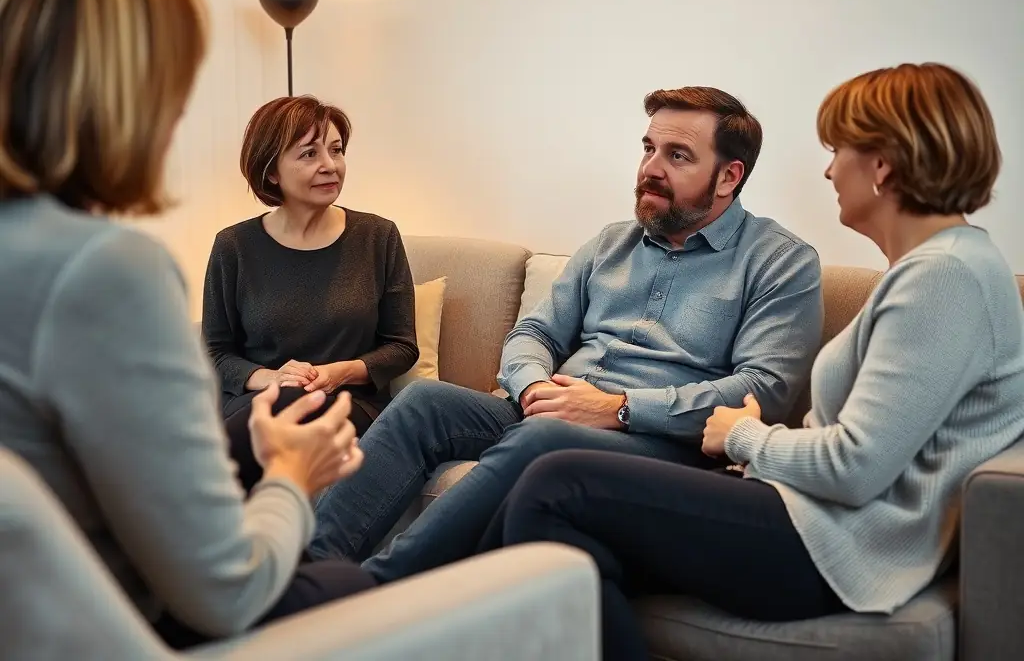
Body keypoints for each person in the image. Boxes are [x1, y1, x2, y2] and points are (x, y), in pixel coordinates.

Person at [484, 63, 1024, 660]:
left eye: (838, 148)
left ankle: (401, 616)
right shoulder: (951, 266)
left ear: (883, 163)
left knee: (557, 482)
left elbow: (854, 466)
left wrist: (743, 436)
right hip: (811, 516)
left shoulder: (942, 277)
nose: (827, 168)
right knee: (566, 548)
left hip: (836, 547)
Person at [0, 0, 375, 650]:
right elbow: (222, 591)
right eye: (173, 81)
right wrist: (291, 480)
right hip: (113, 620)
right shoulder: (107, 271)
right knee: (354, 590)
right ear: (120, 92)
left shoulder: (375, 235)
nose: (177, 114)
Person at [310, 86, 825, 582]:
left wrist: (618, 408)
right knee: (425, 401)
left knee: (544, 437)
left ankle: (375, 592)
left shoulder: (780, 262)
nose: (650, 168)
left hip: (662, 442)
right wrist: (533, 386)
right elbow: (534, 331)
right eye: (648, 148)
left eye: (678, 155)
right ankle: (306, 576)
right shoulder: (611, 243)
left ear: (728, 176)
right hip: (555, 409)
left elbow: (765, 389)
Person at [202, 95, 419, 489]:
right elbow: (215, 352)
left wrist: (340, 373)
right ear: (271, 172)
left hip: (349, 405)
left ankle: (192, 510)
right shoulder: (233, 246)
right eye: (308, 154)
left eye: (336, 150)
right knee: (278, 407)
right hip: (257, 401)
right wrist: (269, 378)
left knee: (289, 408)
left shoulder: (377, 236)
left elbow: (402, 345)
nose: (329, 165)